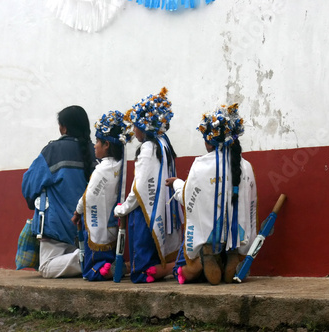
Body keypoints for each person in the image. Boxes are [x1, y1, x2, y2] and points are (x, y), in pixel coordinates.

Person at [166, 104, 257, 285]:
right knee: (233, 231)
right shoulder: (245, 165)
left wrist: (176, 183)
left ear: (209, 141)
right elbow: (251, 202)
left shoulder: (201, 165)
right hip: (236, 231)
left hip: (212, 231)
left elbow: (187, 196)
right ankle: (232, 256)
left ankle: (207, 254)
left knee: (206, 236)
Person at [114, 87, 183, 283]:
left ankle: (171, 267)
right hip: (161, 208)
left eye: (136, 126)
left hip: (145, 212)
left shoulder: (147, 148)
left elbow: (140, 186)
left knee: (141, 272)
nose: (134, 130)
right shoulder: (164, 145)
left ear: (145, 127)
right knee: (149, 261)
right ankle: (166, 267)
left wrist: (124, 208)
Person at [21, 105, 95, 278]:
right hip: (88, 230)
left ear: (63, 127)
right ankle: (92, 255)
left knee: (46, 268)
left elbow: (29, 186)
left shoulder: (52, 151)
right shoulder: (95, 150)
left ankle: (94, 259)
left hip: (57, 228)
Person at [71, 110, 134, 281]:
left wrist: (77, 212)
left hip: (98, 224)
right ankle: (112, 266)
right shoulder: (119, 165)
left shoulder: (102, 169)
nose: (94, 145)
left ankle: (101, 269)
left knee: (94, 266)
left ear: (106, 145)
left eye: (97, 142)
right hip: (111, 222)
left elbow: (88, 197)